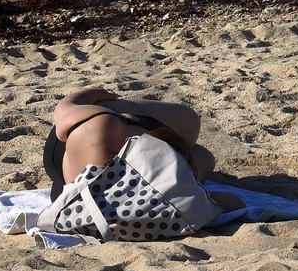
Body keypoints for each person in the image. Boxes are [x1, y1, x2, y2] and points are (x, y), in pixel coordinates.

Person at [44, 85, 219, 200]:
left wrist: (97, 93)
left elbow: (64, 108)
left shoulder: (98, 126)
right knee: (194, 130)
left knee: (200, 154)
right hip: (72, 166)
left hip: (71, 178)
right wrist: (98, 93)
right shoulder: (102, 126)